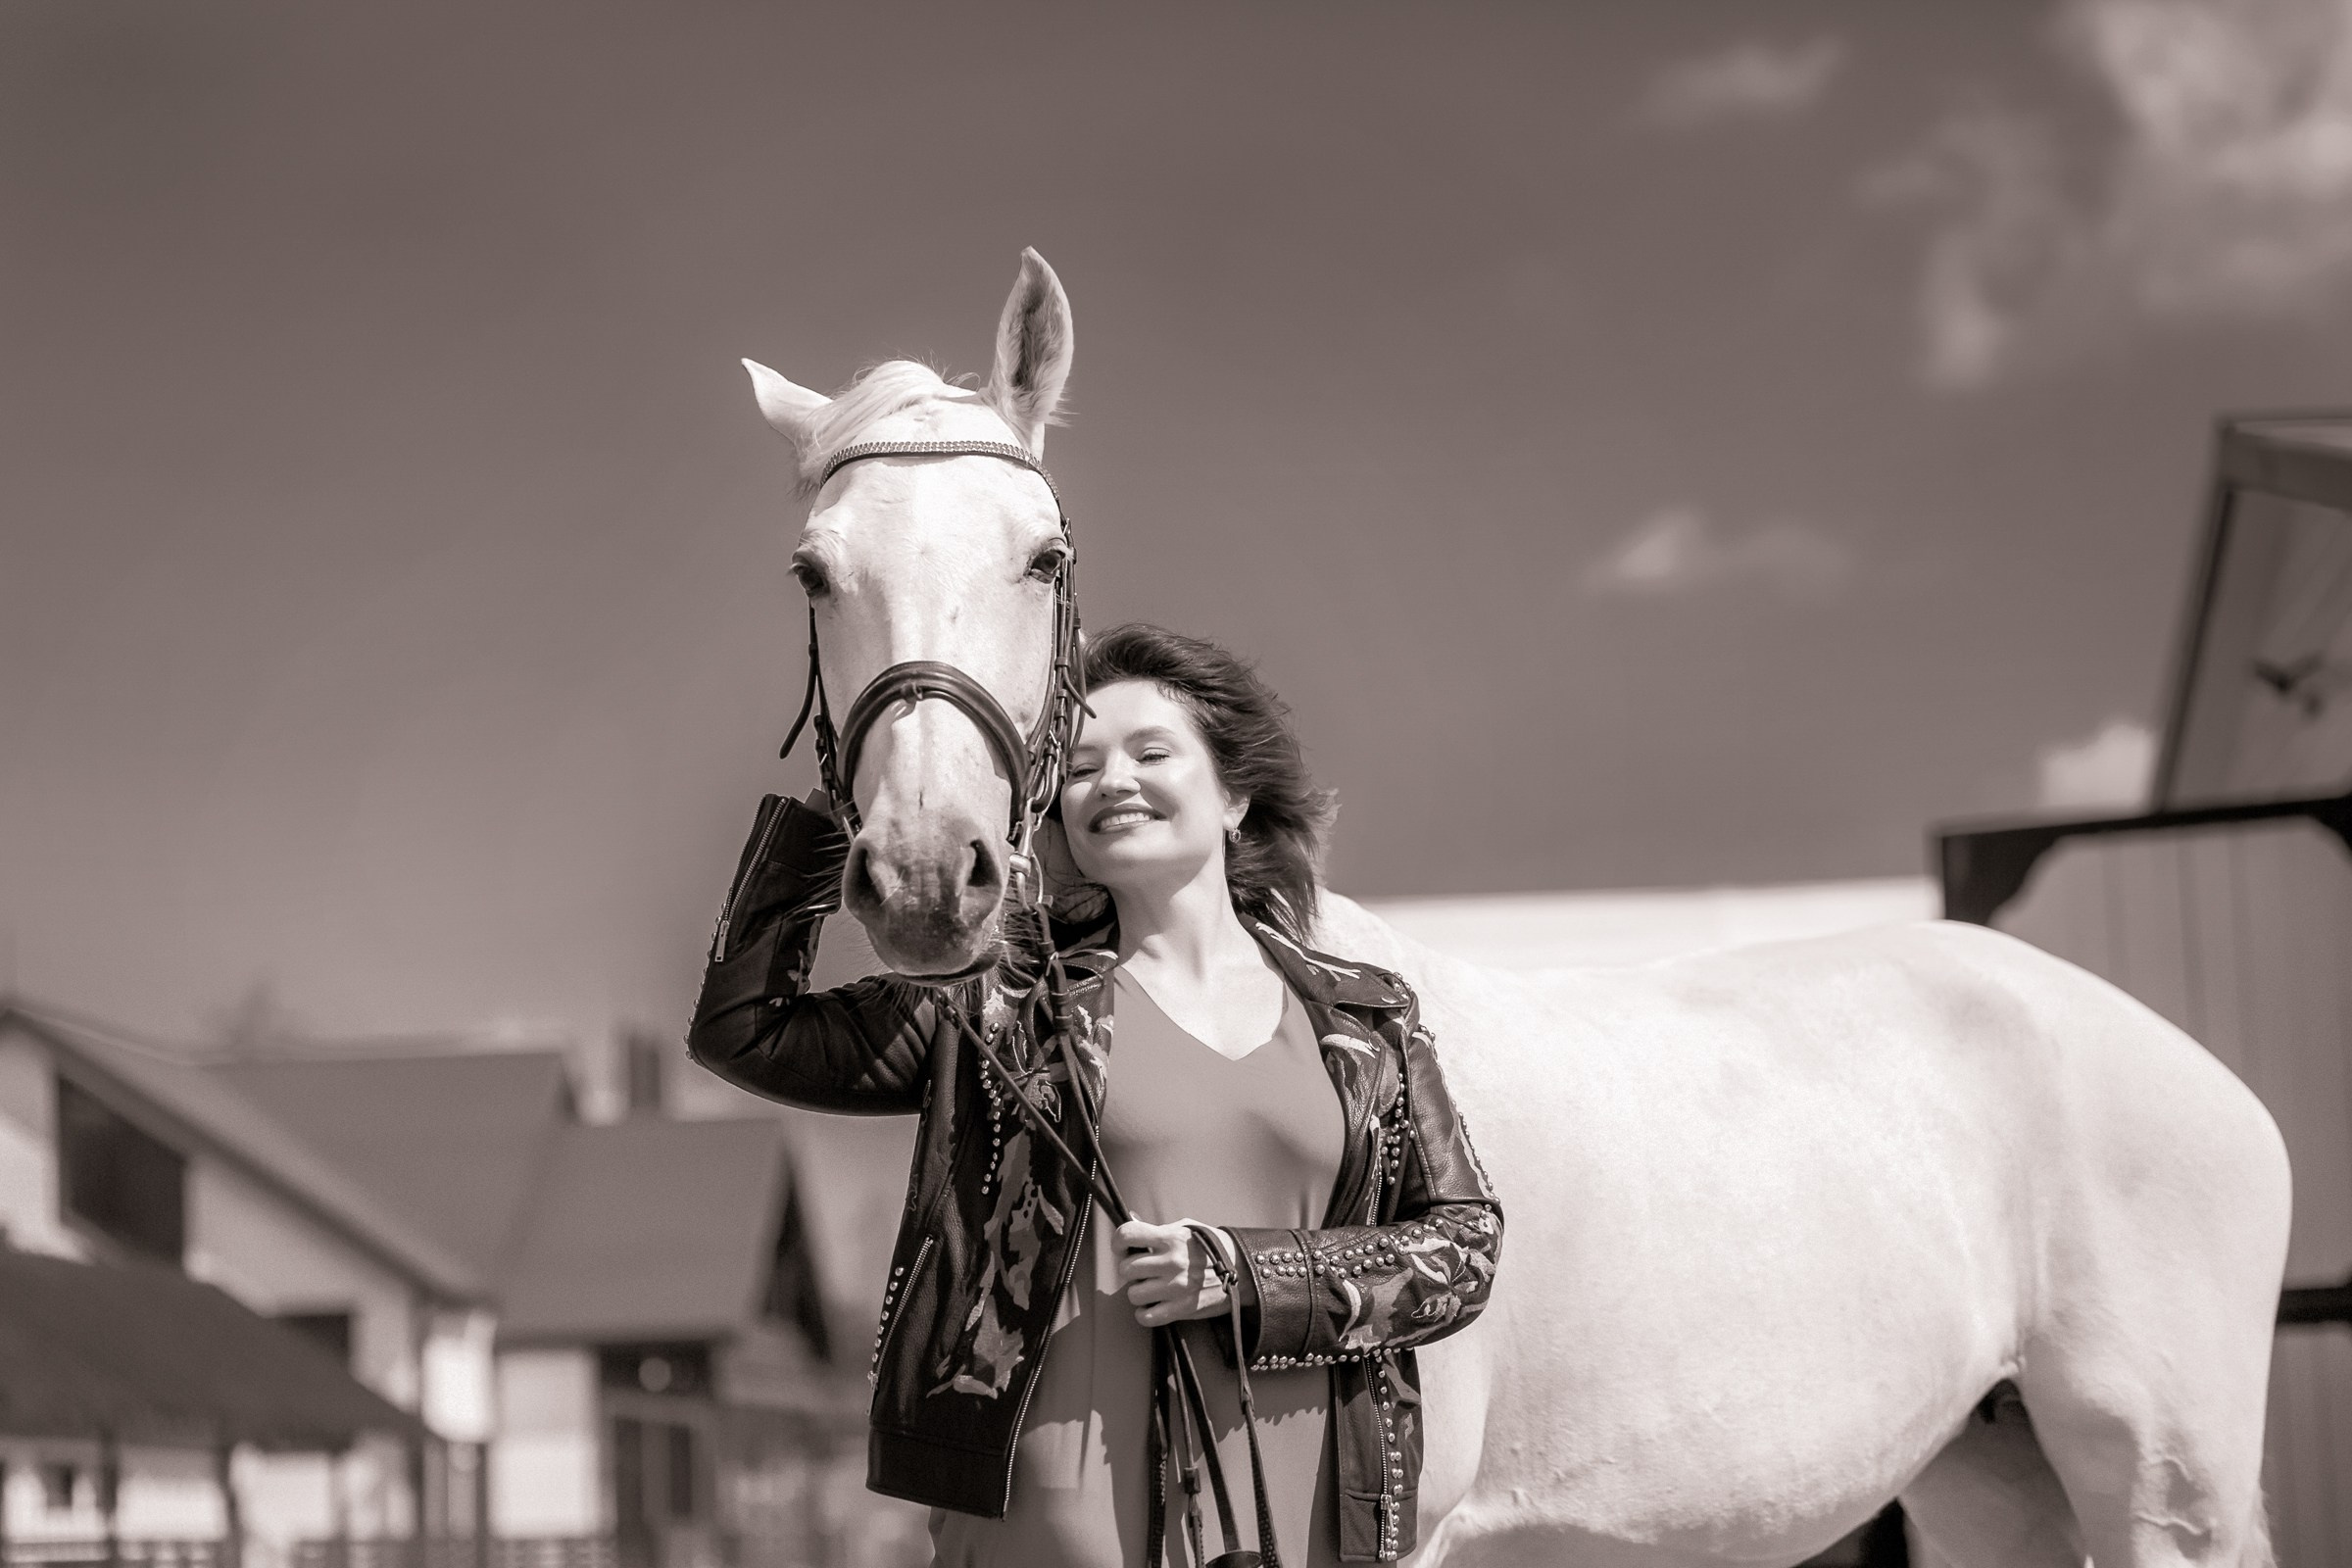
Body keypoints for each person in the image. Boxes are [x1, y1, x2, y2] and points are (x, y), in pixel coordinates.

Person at [687, 623, 1501, 1567]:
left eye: (1151, 753)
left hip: (1317, 1490)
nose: (1113, 781)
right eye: (1077, 768)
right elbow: (747, 1028)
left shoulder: (1366, 1018)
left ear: (1236, 794)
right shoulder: (999, 1000)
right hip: (1065, 1499)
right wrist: (864, 800)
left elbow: (1463, 1249)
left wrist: (1246, 1276)